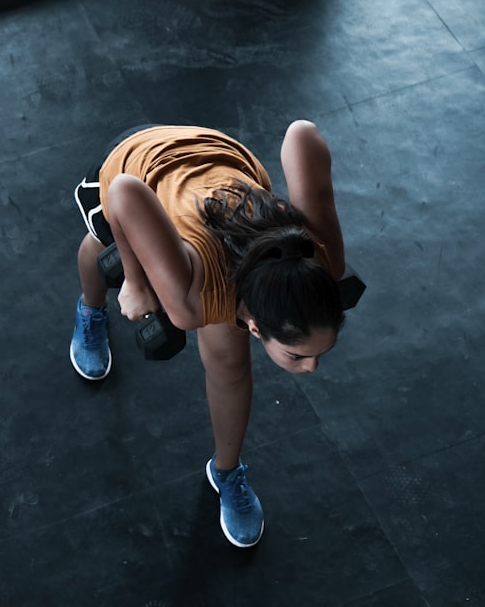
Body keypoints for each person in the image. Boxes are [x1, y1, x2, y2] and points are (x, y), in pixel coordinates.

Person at [69, 121, 346, 548]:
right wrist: (135, 280)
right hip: (140, 161)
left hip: (223, 164)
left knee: (230, 366)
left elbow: (301, 135)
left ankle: (226, 471)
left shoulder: (321, 263)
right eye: (297, 356)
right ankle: (89, 311)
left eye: (315, 355)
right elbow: (124, 191)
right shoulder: (191, 300)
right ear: (255, 327)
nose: (311, 368)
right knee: (99, 253)